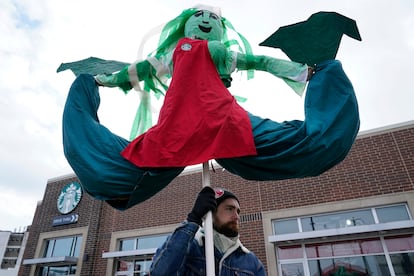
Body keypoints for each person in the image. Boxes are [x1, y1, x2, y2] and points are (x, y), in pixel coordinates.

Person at [62, 5, 359, 210]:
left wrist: (306, 72)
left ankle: (327, 79)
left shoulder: (219, 52)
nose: (206, 22)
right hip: (186, 129)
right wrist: (101, 80)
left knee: (304, 143)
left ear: (219, 30)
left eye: (212, 19)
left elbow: (259, 62)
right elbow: (136, 71)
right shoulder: (175, 53)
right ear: (186, 26)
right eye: (200, 17)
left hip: (216, 124)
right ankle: (83, 102)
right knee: (122, 169)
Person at [149, 186, 266, 275]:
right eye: (229, 209)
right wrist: (193, 218)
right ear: (211, 213)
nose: (237, 217)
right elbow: (160, 272)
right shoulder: (190, 248)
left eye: (238, 211)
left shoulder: (252, 262)